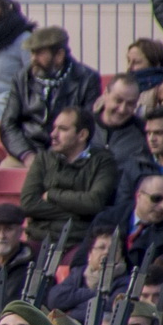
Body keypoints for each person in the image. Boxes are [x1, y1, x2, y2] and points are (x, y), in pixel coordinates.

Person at [0, 26, 103, 165]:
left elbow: (89, 126)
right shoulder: (22, 78)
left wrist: (59, 155)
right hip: (28, 152)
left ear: (59, 55)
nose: (33, 59)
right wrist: (26, 155)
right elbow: (8, 124)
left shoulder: (87, 79)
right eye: (32, 53)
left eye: (40, 53)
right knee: (5, 171)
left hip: (68, 154)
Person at [20, 106, 117, 249]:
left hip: (76, 243)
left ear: (82, 135)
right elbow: (28, 203)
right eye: (54, 128)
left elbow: (94, 202)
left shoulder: (104, 161)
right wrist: (78, 214)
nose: (53, 134)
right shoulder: (43, 159)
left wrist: (52, 194)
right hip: (38, 239)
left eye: (63, 129)